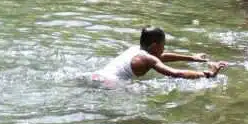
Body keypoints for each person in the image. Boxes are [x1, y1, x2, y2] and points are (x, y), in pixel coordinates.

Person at [92, 27, 226, 83]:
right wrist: (208, 74)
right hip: (109, 84)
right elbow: (176, 74)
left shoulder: (136, 51)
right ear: (155, 46)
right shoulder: (147, 58)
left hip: (96, 76)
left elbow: (161, 57)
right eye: (163, 45)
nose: (164, 48)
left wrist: (192, 58)